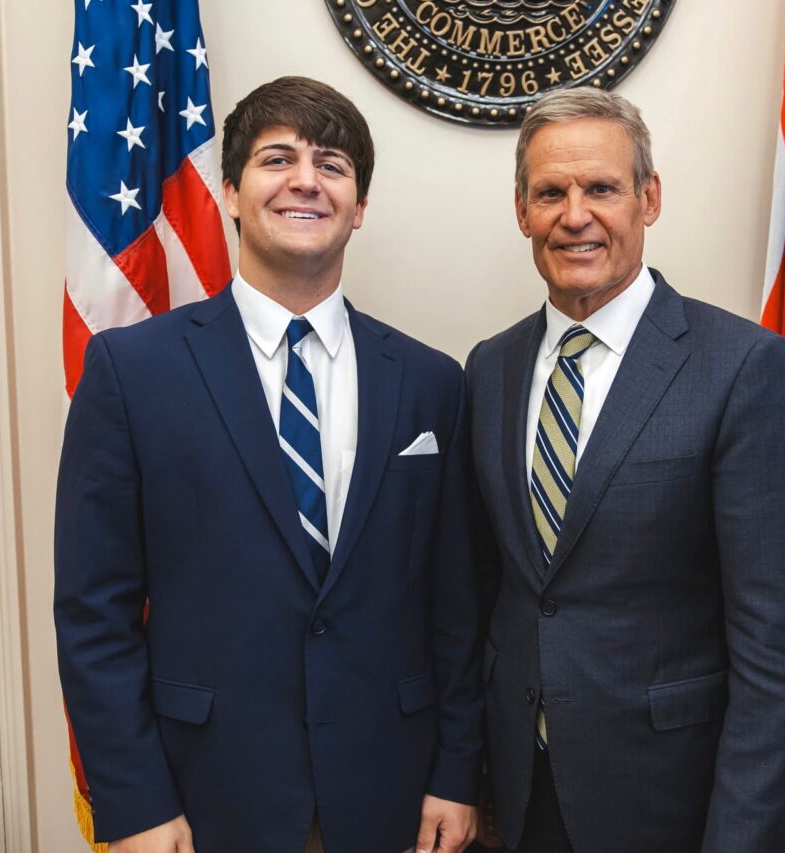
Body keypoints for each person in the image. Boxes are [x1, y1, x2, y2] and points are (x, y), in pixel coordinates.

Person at [55, 76, 482, 853]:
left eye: (332, 164)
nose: (305, 181)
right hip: (202, 791)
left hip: (391, 789)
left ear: (359, 206)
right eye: (276, 159)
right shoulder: (131, 371)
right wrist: (135, 802)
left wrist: (457, 771)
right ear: (229, 191)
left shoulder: (430, 381)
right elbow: (94, 613)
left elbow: (454, 608)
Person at [465, 87, 785, 852]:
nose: (575, 215)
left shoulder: (740, 367)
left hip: (672, 802)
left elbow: (781, 647)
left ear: (648, 198)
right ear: (521, 210)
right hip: (518, 797)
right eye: (550, 192)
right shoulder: (490, 368)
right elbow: (487, 595)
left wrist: (740, 836)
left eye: (601, 187)